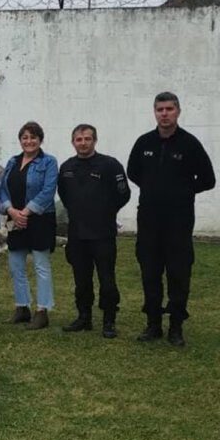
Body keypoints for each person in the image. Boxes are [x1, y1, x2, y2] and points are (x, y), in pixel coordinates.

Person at [127, 92, 215, 346]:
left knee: (179, 275)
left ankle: (176, 326)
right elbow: (133, 171)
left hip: (179, 222)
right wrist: (154, 188)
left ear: (178, 111)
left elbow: (208, 180)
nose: (164, 114)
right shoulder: (144, 143)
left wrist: (182, 191)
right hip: (149, 222)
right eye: (159, 109)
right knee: (150, 274)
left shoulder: (190, 144)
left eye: (169, 109)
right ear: (154, 112)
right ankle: (153, 324)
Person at [59, 124, 130, 338]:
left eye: (87, 139)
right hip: (77, 234)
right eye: (79, 139)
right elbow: (64, 196)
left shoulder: (110, 165)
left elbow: (123, 194)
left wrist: (105, 212)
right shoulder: (66, 168)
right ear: (73, 142)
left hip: (103, 234)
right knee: (81, 279)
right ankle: (84, 317)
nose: (83, 143)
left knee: (107, 279)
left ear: (95, 141)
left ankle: (109, 320)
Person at [0, 121, 58, 330]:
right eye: (25, 137)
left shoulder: (49, 162)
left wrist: (25, 211)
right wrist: (12, 211)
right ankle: (22, 307)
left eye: (33, 137)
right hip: (15, 219)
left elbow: (48, 190)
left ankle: (42, 311)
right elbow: (2, 189)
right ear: (20, 140)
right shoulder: (12, 162)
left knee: (41, 266)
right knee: (16, 266)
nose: (29, 141)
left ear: (40, 140)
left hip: (40, 219)